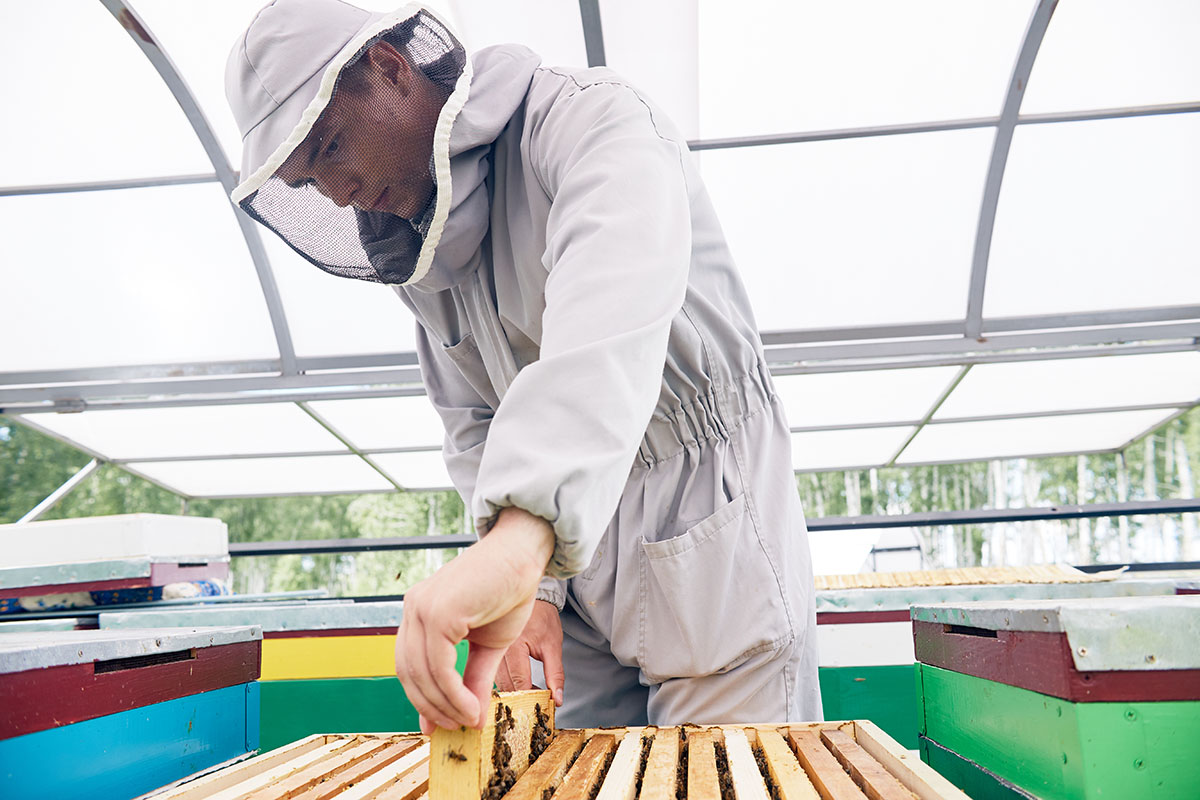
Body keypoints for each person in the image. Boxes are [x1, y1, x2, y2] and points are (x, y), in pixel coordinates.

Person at [226, 0, 822, 732]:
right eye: (309, 182)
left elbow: (609, 325)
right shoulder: (424, 256)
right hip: (567, 558)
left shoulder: (594, 123)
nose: (338, 191)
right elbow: (475, 426)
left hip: (709, 517)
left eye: (332, 145)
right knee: (561, 774)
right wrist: (533, 584)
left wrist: (520, 541)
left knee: (727, 778)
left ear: (390, 69)